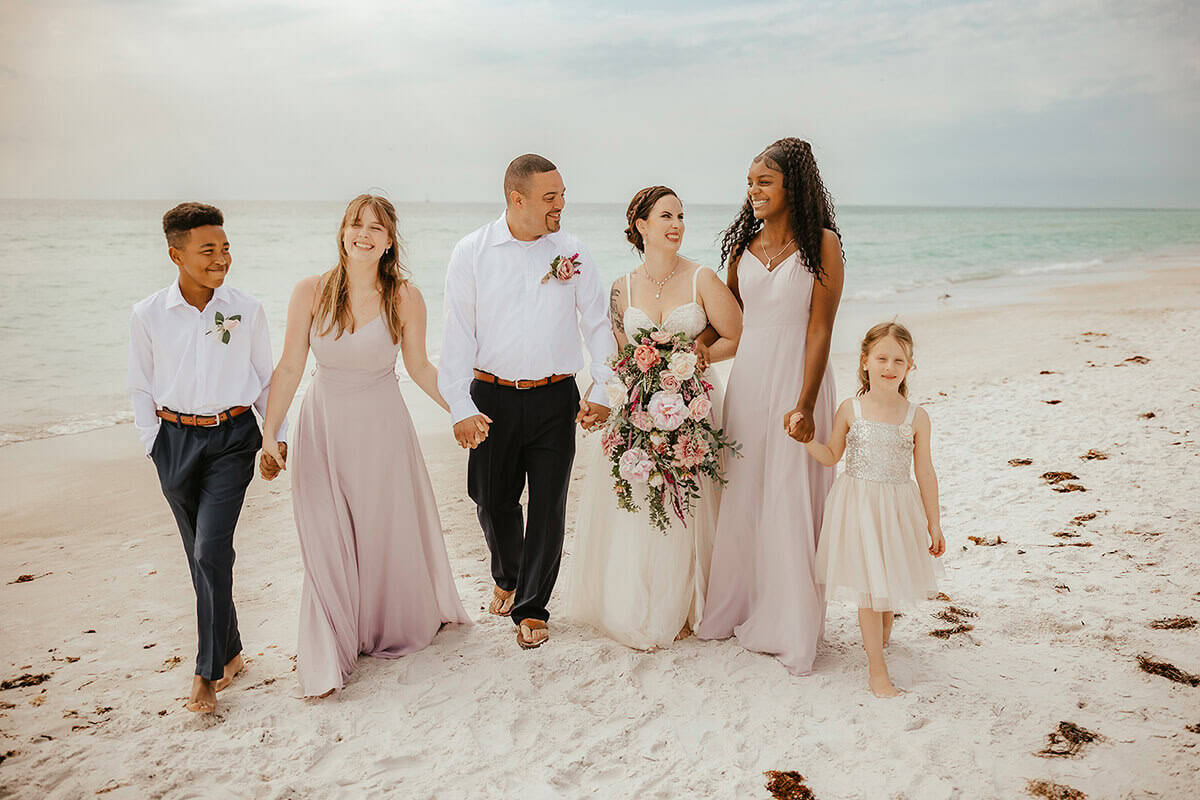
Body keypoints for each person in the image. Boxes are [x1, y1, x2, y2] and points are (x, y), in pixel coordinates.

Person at [260, 194, 470, 697]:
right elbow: (289, 367)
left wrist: (463, 411)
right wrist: (269, 434)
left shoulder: (405, 298)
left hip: (382, 431)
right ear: (342, 232)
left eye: (376, 227)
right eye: (357, 224)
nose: (365, 234)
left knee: (381, 532)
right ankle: (332, 643)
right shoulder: (310, 291)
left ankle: (382, 625)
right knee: (325, 536)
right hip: (324, 428)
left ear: (390, 239)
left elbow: (419, 368)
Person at [438, 154, 615, 649]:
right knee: (490, 501)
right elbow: (456, 334)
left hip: (556, 397)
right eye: (550, 198)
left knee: (548, 506)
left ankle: (532, 605)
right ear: (517, 200)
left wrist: (601, 391)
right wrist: (459, 406)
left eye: (562, 194)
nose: (561, 205)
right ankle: (508, 573)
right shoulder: (471, 252)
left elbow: (597, 326)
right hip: (489, 395)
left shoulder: (573, 253)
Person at [566, 186, 742, 650]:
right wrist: (600, 397)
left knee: (689, 498)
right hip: (638, 406)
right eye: (666, 216)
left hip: (694, 403)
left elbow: (736, 335)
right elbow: (617, 355)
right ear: (640, 225)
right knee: (642, 501)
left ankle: (687, 603)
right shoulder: (622, 287)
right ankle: (642, 596)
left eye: (681, 216)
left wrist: (697, 355)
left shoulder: (702, 277)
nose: (677, 225)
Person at [129, 202, 285, 713]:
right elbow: (140, 385)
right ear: (176, 254)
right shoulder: (148, 314)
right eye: (208, 250)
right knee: (201, 556)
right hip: (173, 443)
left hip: (232, 439)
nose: (221, 258)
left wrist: (275, 438)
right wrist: (153, 444)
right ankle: (234, 650)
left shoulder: (247, 308)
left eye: (225, 248)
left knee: (209, 551)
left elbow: (265, 380)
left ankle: (207, 670)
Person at [697, 138, 845, 675]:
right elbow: (729, 319)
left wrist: (805, 403)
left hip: (797, 380)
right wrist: (683, 346)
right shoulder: (743, 249)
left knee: (789, 495)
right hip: (750, 377)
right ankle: (740, 605)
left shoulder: (821, 245)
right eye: (750, 182)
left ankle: (790, 623)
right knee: (745, 491)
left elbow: (821, 327)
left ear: (792, 187)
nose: (754, 191)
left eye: (765, 182)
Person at [798, 322, 946, 697]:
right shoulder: (851, 409)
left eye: (899, 360)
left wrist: (934, 523)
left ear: (910, 366)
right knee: (869, 589)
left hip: (896, 506)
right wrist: (805, 441)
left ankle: (882, 633)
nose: (889, 366)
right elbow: (832, 455)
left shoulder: (916, 416)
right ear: (865, 362)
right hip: (857, 505)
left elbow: (925, 471)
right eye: (881, 358)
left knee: (886, 586)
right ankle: (877, 672)